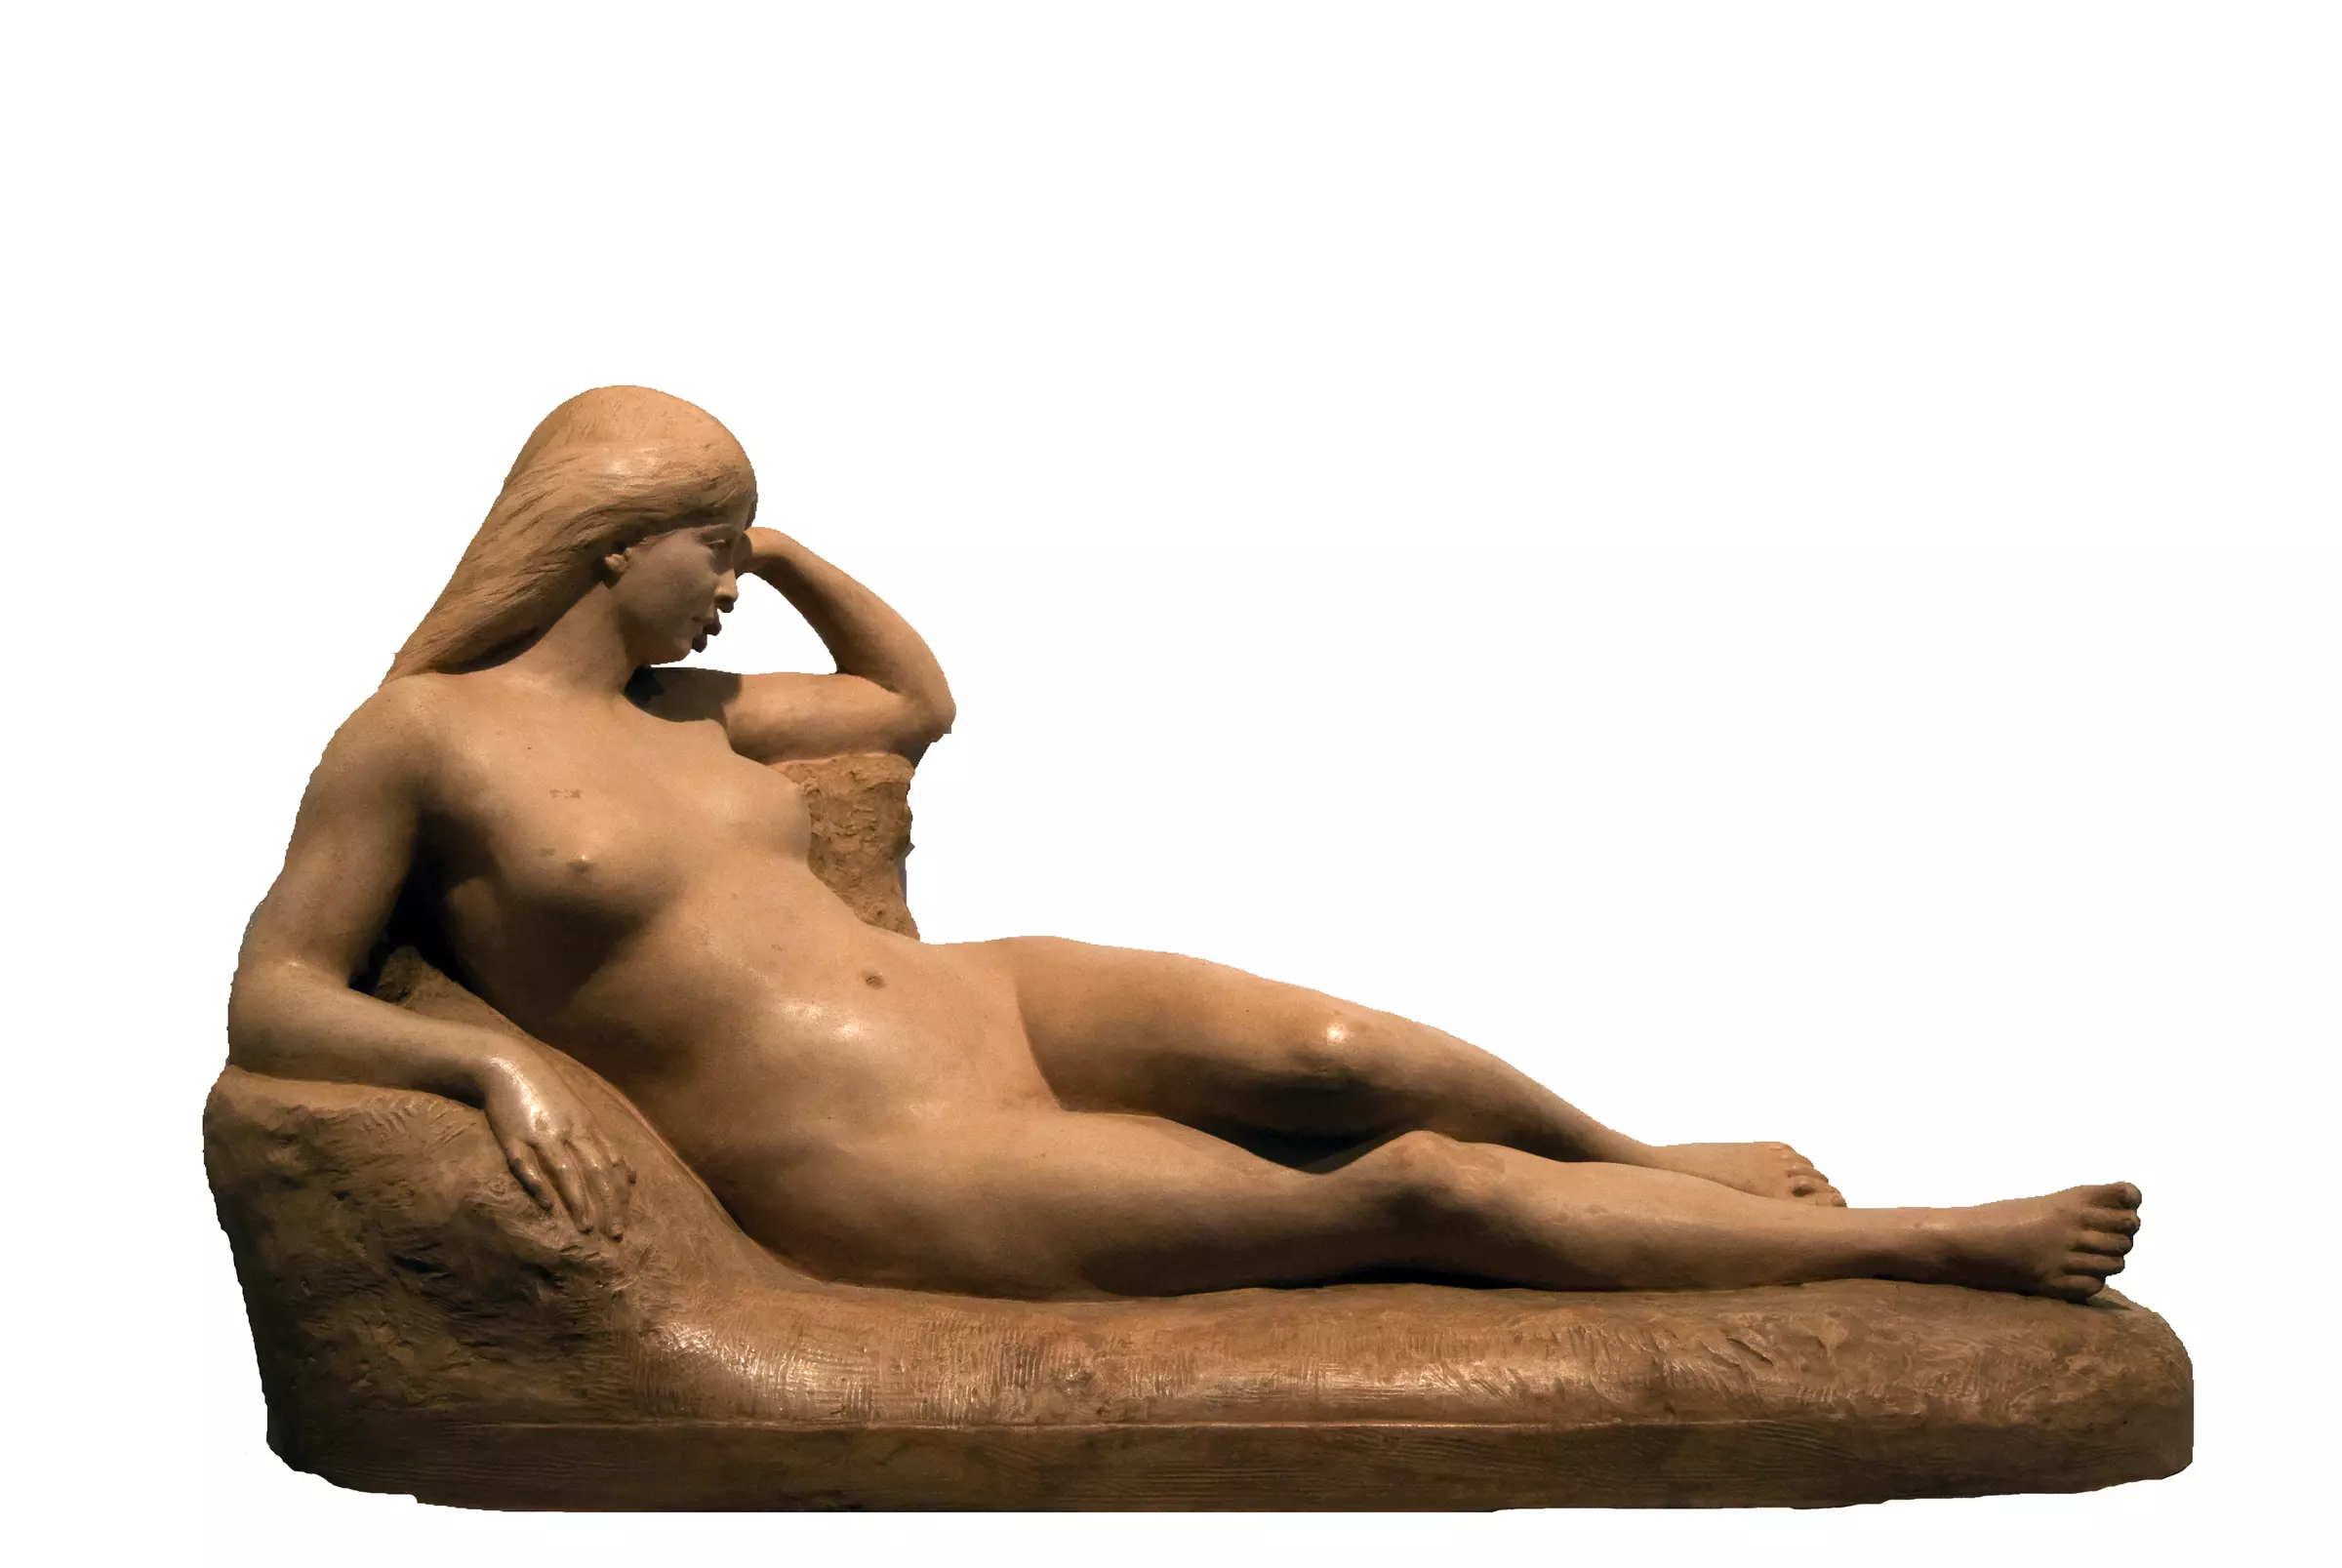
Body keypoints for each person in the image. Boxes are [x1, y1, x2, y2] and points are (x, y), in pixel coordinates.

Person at [226, 386, 2141, 1302]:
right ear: (602, 535)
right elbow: (277, 990)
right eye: (707, 548)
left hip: (985, 1003)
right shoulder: (419, 737)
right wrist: (486, 1059)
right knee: (1417, 1185)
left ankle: (1647, 1160)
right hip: (877, 1155)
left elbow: (911, 697)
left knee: (1344, 1051)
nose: (727, 584)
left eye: (740, 551)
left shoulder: (699, 711)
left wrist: (785, 538)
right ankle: (1929, 1243)